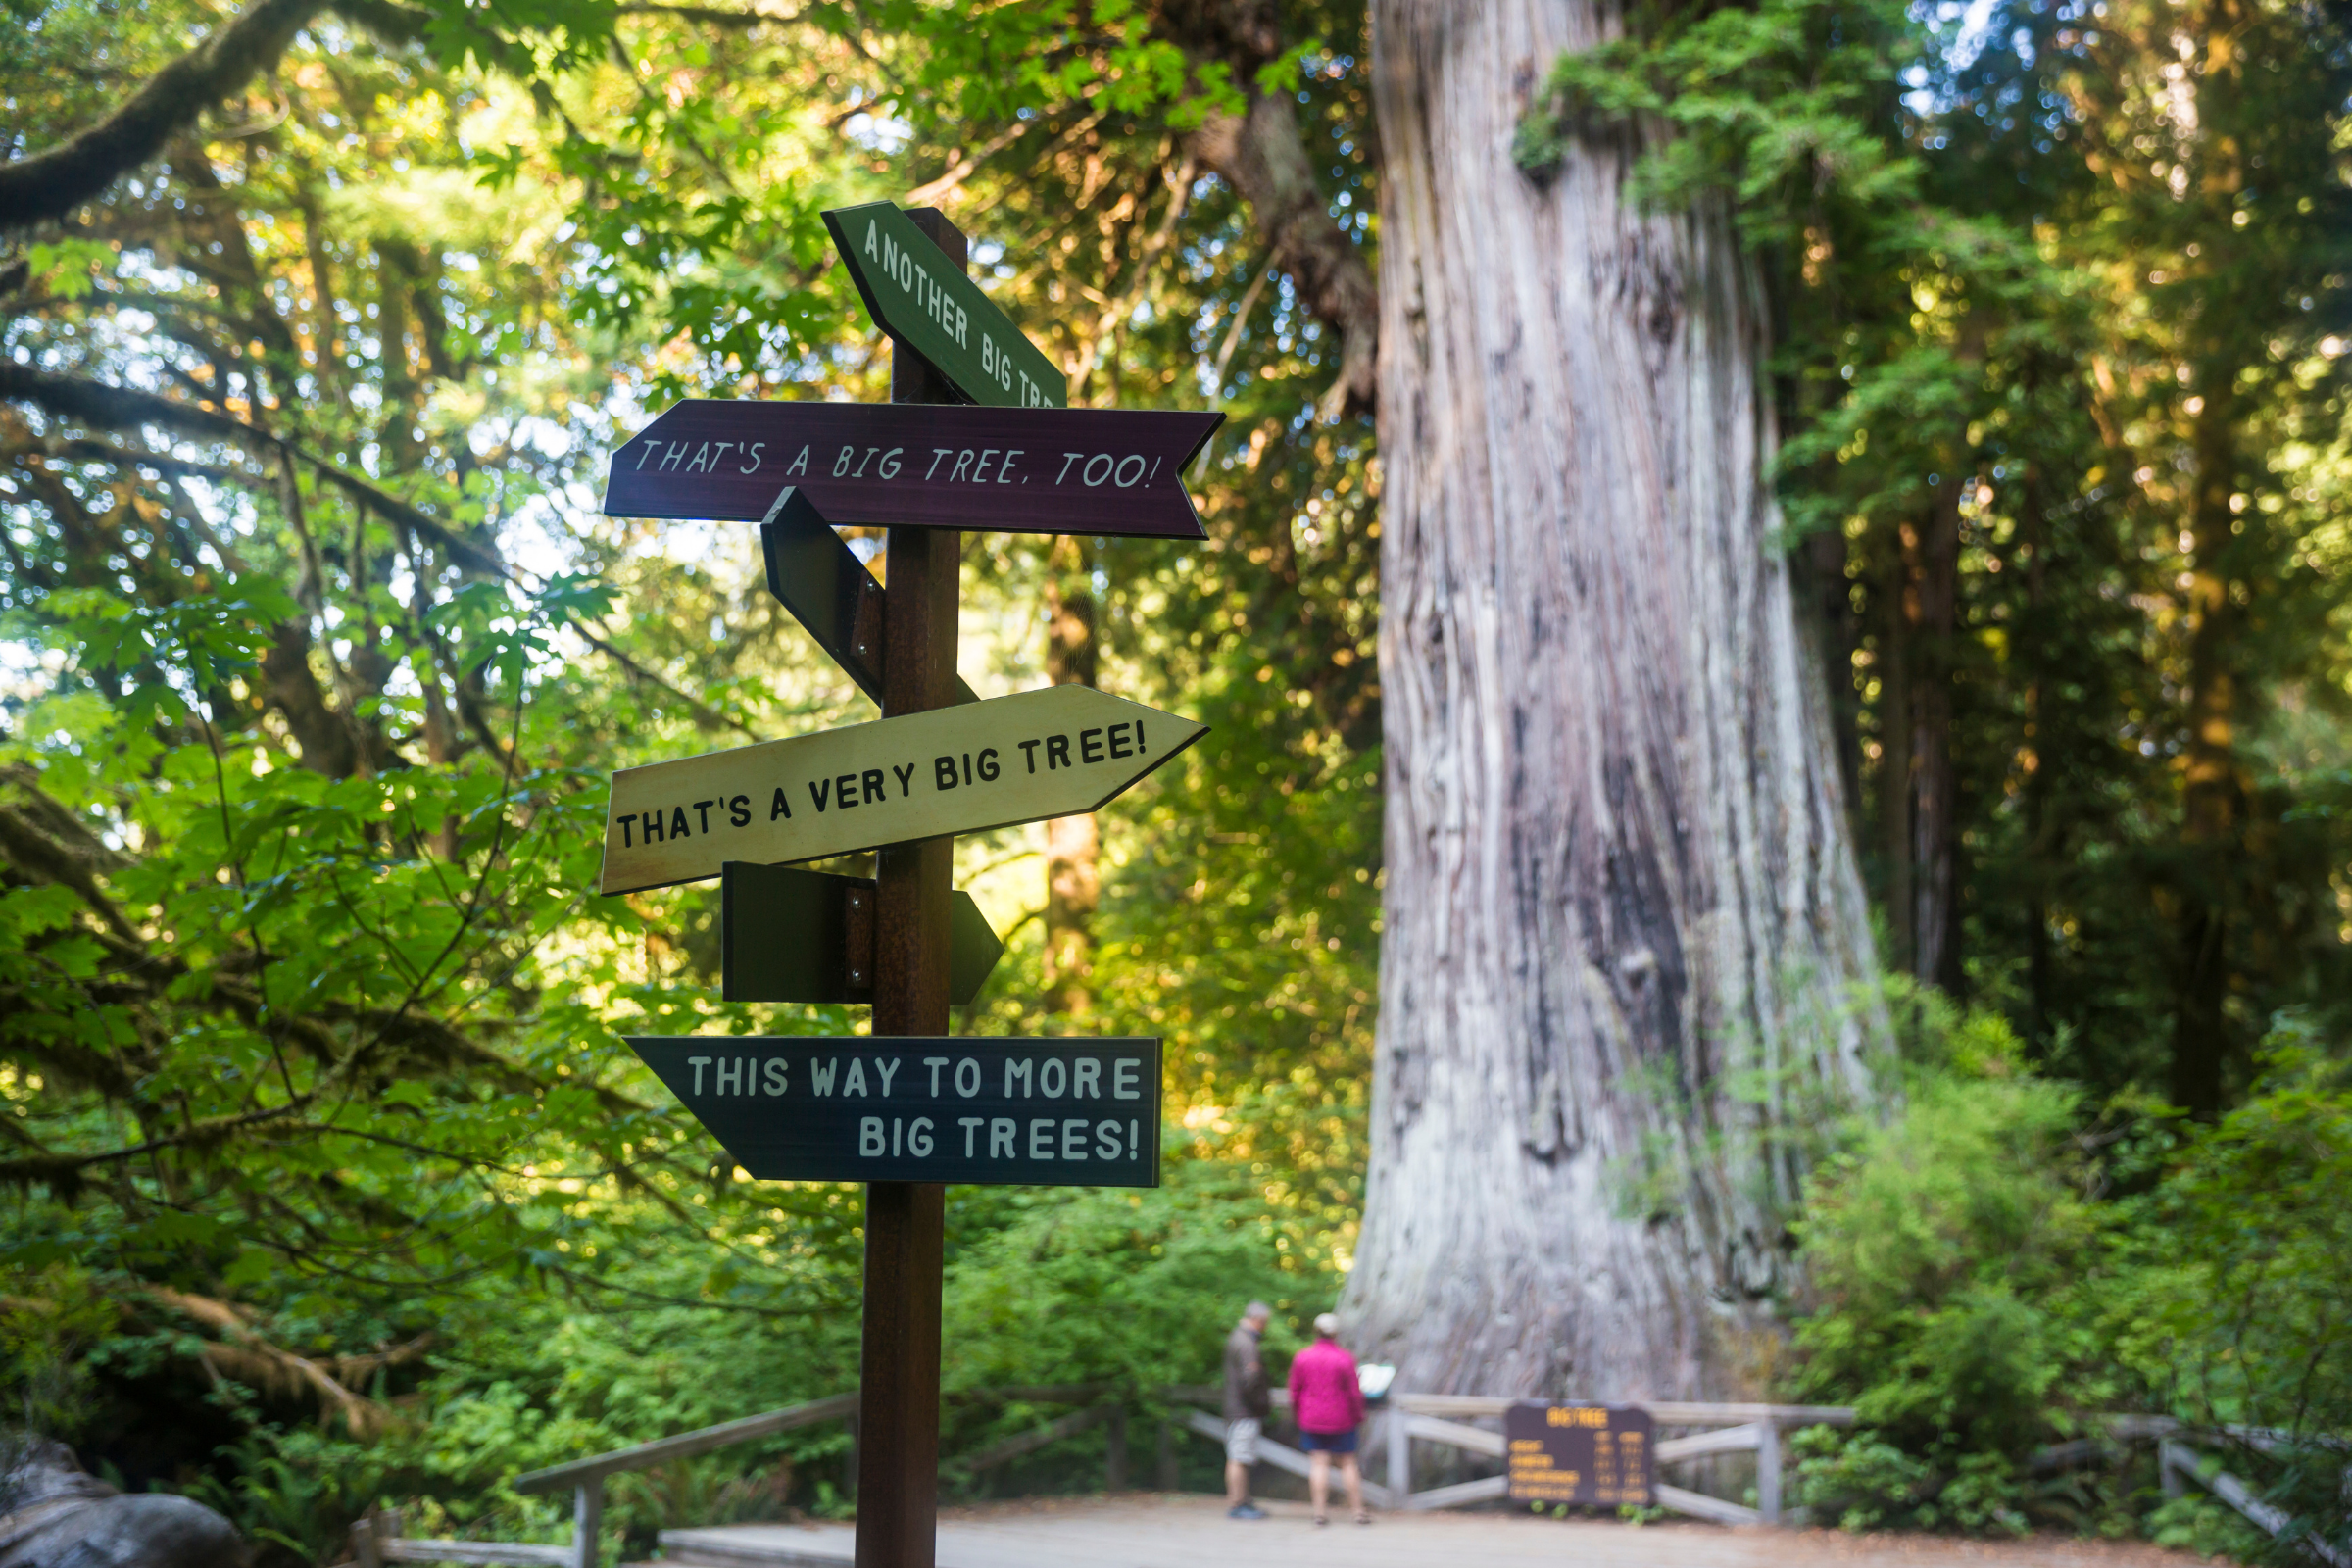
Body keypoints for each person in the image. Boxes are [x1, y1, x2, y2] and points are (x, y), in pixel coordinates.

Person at [1287, 1311, 1370, 1526]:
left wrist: (1299, 1414)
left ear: (1315, 1331)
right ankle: (1358, 1512)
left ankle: (1320, 1513)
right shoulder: (1344, 1358)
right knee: (1348, 1463)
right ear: (1335, 1333)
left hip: (1312, 1418)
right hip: (1342, 1419)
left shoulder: (1302, 1357)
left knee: (1319, 1463)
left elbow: (1294, 1391)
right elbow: (1354, 1392)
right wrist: (1359, 1416)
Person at [1221, 1300, 1273, 1519]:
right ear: (1258, 1320)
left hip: (1237, 1409)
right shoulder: (1246, 1343)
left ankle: (1242, 1500)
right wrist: (1260, 1403)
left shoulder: (1236, 1337)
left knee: (1238, 1456)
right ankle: (1237, 1504)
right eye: (1265, 1323)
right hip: (1244, 1410)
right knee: (1239, 1457)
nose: (1266, 1327)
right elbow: (1250, 1379)